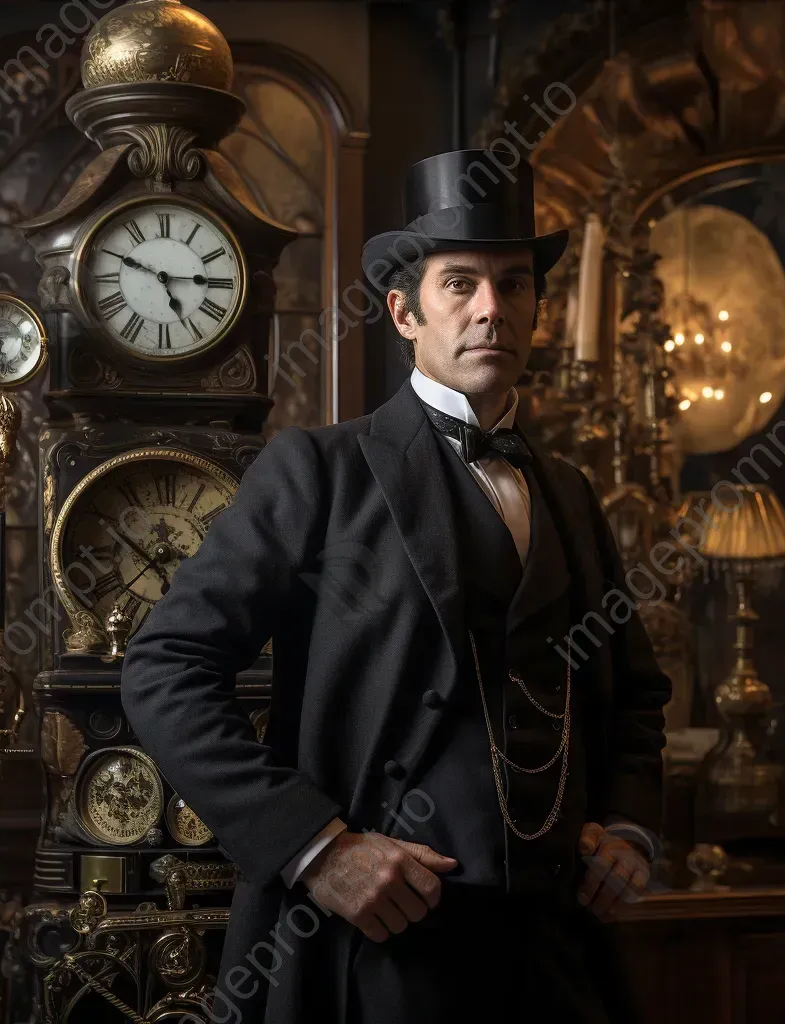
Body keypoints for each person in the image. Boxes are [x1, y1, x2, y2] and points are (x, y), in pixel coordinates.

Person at [120, 148, 671, 1024]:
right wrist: (317, 848)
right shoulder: (318, 471)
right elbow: (165, 668)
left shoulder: (568, 491)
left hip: (557, 948)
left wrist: (629, 826)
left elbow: (635, 694)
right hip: (379, 945)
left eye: (516, 283)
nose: (492, 308)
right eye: (461, 283)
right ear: (403, 311)